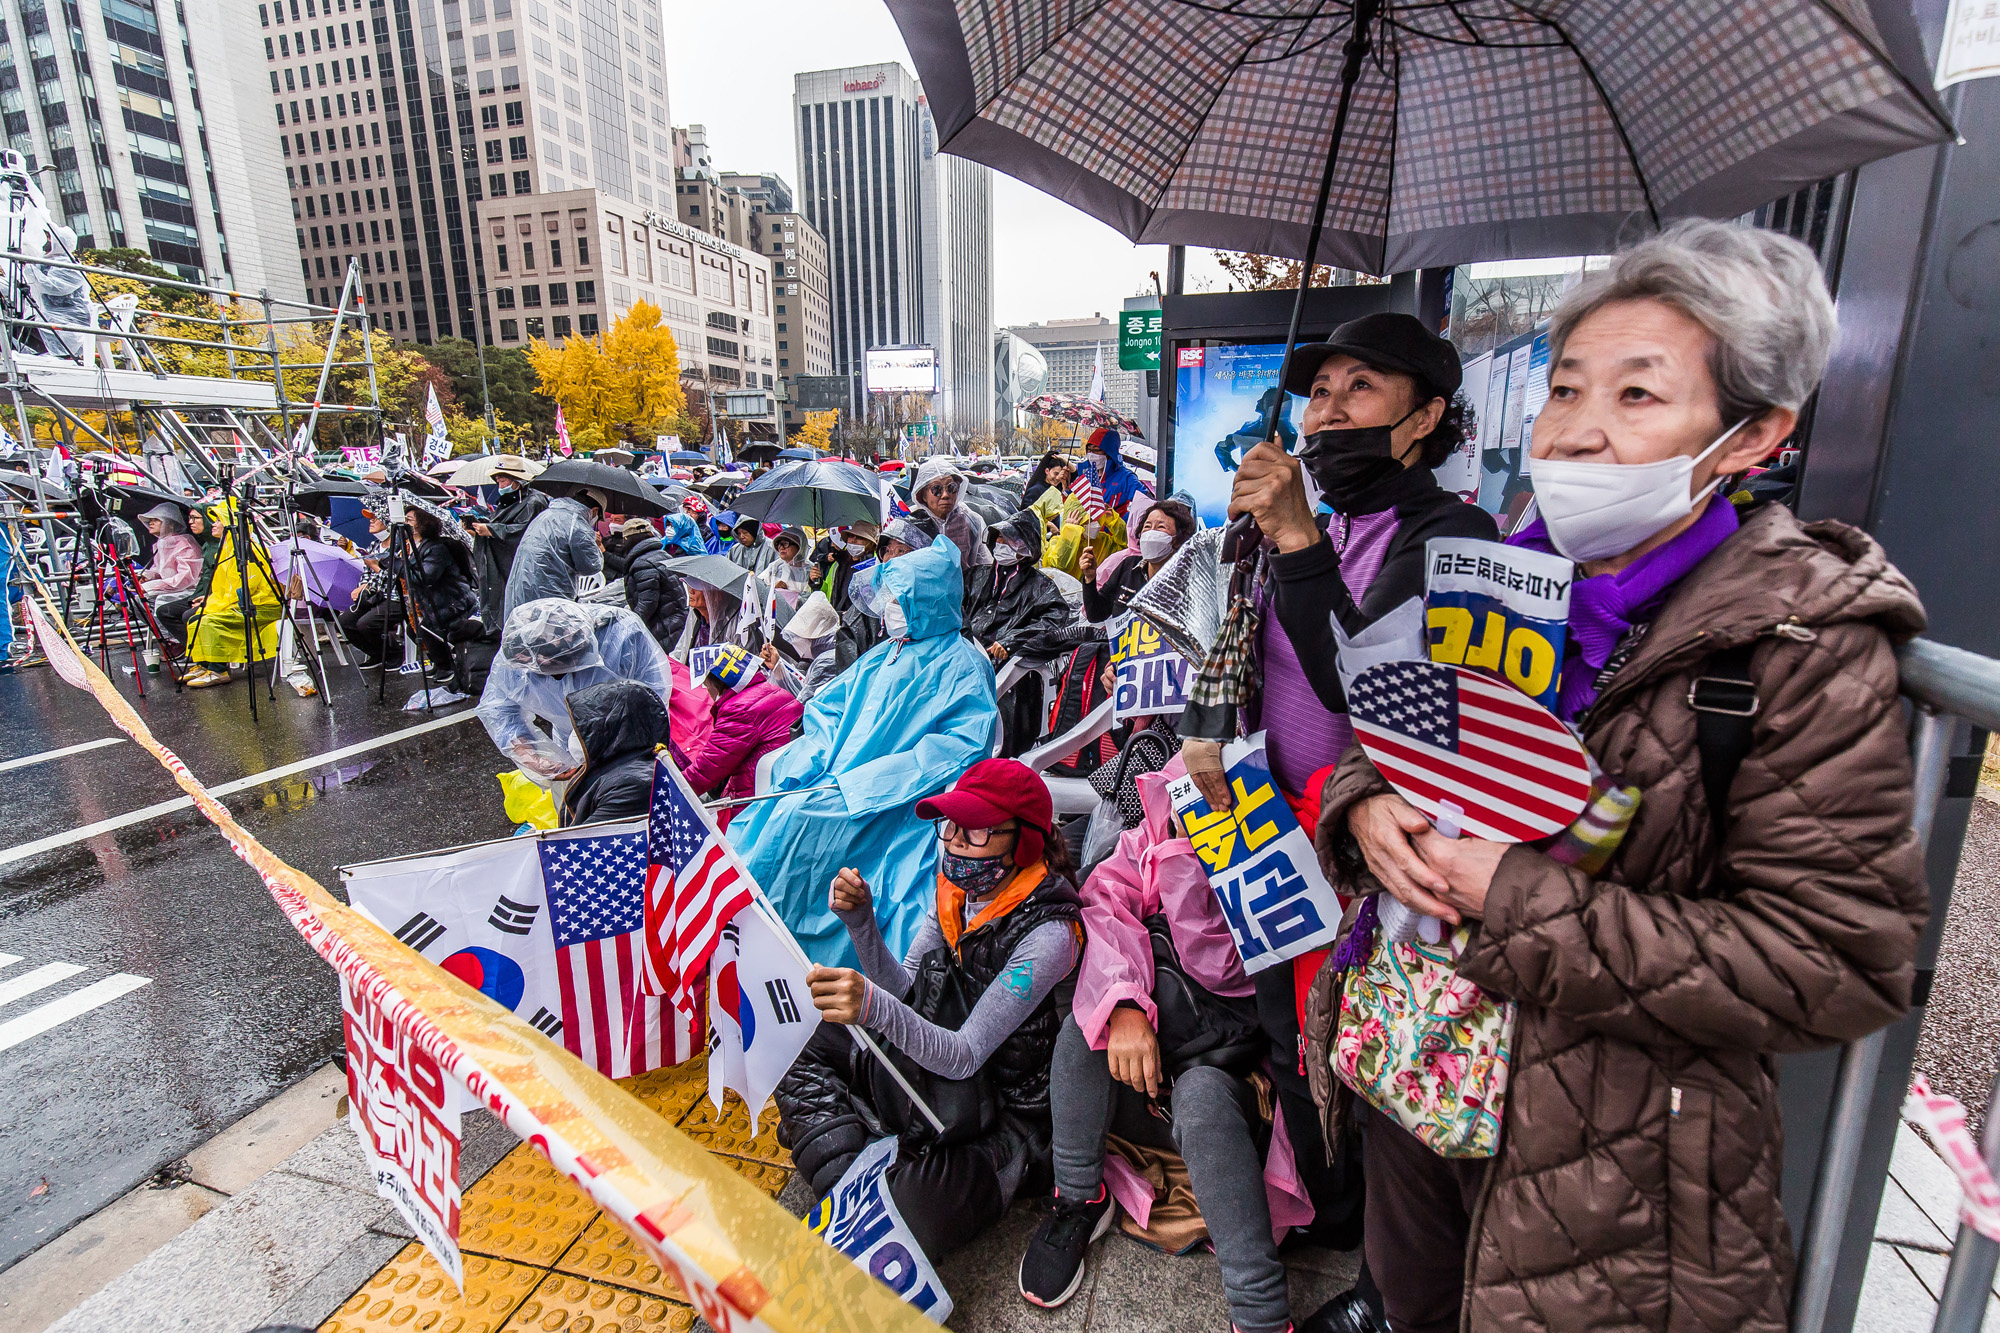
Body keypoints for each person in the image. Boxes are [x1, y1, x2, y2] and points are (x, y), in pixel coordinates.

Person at [1307, 220, 1929, 1333]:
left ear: (1752, 434)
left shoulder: (1795, 640)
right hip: (1417, 1069)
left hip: (1613, 1167)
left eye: (1636, 398)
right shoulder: (1503, 570)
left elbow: (1833, 960)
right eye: (1561, 390)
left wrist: (1512, 897)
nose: (1577, 435)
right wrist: (1368, 802)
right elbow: (1401, 728)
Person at [1019, 753, 1310, 1329]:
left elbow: (1222, 961)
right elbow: (1105, 900)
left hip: (1242, 1069)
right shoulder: (1165, 810)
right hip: (1159, 1036)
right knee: (1088, 1025)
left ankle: (1260, 1312)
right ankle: (1079, 1199)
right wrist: (1125, 1004)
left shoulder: (1282, 832)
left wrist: (1187, 858)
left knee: (1201, 1101)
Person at [774, 759, 1084, 1265]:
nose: (956, 841)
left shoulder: (1048, 936)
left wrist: (870, 1007)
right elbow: (907, 990)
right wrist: (861, 925)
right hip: (936, 1081)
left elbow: (964, 1054)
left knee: (908, 1216)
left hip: (1008, 1119)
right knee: (799, 1037)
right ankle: (852, 1179)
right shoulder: (958, 895)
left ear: (1025, 840)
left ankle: (864, 1171)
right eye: (952, 826)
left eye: (976, 831)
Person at [727, 536, 997, 966]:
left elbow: (962, 744)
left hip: (894, 798)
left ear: (925, 600)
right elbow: (831, 707)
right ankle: (755, 929)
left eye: (899, 598)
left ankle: (795, 945)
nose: (888, 607)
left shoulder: (962, 663)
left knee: (804, 821)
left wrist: (866, 784)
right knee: (780, 812)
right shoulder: (885, 653)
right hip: (836, 774)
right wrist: (813, 754)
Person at [476, 598, 674, 780]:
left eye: (574, 666)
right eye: (552, 673)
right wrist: (536, 760)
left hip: (632, 738)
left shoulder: (621, 631)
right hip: (571, 746)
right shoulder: (517, 656)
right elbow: (499, 712)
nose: (563, 678)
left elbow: (654, 694)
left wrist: (625, 743)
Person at [679, 643, 804, 827]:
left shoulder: (739, 709)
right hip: (784, 786)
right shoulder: (774, 691)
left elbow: (705, 771)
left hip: (752, 805)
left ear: (717, 682)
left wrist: (666, 788)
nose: (707, 691)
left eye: (706, 685)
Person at [183, 498, 282, 688]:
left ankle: (219, 670)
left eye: (218, 520)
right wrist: (210, 599)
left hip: (260, 605)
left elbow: (248, 588)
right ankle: (205, 664)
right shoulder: (225, 548)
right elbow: (225, 586)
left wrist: (217, 604)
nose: (213, 524)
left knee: (207, 620)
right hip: (236, 601)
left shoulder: (246, 550)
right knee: (194, 618)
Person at [558, 678, 672, 826]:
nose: (576, 734)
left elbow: (582, 841)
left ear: (611, 728)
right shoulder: (617, 767)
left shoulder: (633, 784)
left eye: (585, 728)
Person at [1079, 498, 1195, 623]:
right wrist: (1090, 578)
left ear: (1178, 539)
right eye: (1147, 526)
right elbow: (1096, 615)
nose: (1151, 532)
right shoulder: (1128, 566)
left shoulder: (1189, 579)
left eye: (1161, 527)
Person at [467, 458, 548, 631]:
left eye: (503, 480)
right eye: (498, 481)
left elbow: (526, 531)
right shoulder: (509, 500)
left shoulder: (534, 501)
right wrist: (481, 529)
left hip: (521, 565)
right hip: (502, 563)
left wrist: (493, 530)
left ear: (516, 481)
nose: (499, 485)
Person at [503, 486, 604, 622]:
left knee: (524, 631)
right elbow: (590, 567)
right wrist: (596, 546)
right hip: (550, 594)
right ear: (594, 511)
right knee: (547, 635)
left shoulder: (547, 514)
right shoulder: (578, 526)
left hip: (522, 588)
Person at [407, 509, 479, 672]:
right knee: (417, 630)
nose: (406, 524)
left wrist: (400, 566)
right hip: (434, 603)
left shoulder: (438, 548)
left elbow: (425, 577)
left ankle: (447, 666)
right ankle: (441, 663)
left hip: (451, 603)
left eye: (410, 520)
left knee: (427, 630)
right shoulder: (419, 546)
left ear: (422, 523)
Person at [909, 455, 991, 571]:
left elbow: (984, 564)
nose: (945, 495)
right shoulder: (910, 523)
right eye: (936, 489)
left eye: (951, 488)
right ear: (923, 494)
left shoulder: (971, 521)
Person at [622, 527, 687, 650]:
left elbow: (647, 603)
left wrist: (631, 625)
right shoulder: (662, 554)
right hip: (674, 620)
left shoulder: (643, 564)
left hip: (663, 626)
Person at [1076, 427, 1151, 517]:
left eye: (1096, 450)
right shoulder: (1086, 475)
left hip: (1114, 529)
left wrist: (1125, 520)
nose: (1091, 454)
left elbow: (1146, 502)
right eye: (1089, 450)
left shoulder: (1125, 477)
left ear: (1109, 452)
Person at [137, 503, 202, 598]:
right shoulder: (161, 543)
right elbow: (162, 569)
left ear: (170, 524)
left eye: (156, 520)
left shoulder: (184, 543)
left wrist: (149, 587)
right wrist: (148, 576)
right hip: (170, 589)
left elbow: (186, 578)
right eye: (150, 520)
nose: (151, 523)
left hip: (187, 591)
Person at [601, 517, 655, 581]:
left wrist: (604, 553)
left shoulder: (637, 549)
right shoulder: (608, 540)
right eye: (611, 520)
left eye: (617, 520)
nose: (613, 524)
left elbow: (627, 565)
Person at [659, 493, 704, 557]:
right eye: (669, 526)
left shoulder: (691, 546)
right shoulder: (663, 543)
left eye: (673, 527)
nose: (669, 529)